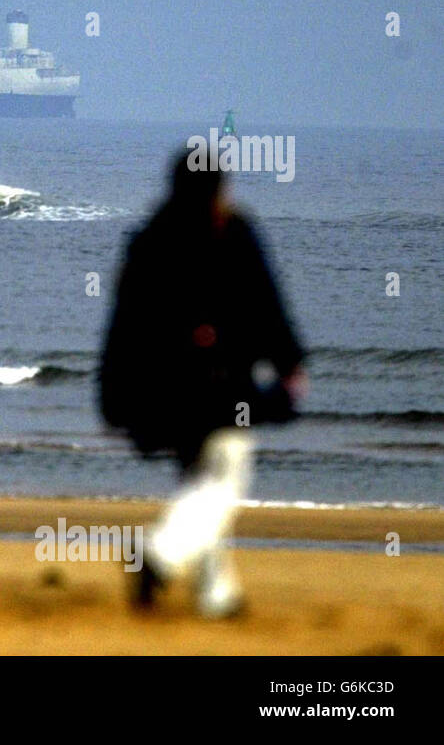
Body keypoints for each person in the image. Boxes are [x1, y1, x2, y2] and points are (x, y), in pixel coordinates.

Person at [99, 149, 305, 618]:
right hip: (224, 387)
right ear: (220, 187)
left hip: (164, 392)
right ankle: (157, 555)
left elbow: (122, 326)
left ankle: (216, 595)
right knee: (222, 483)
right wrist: (290, 361)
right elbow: (266, 302)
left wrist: (112, 394)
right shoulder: (233, 232)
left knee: (198, 483)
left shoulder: (149, 239)